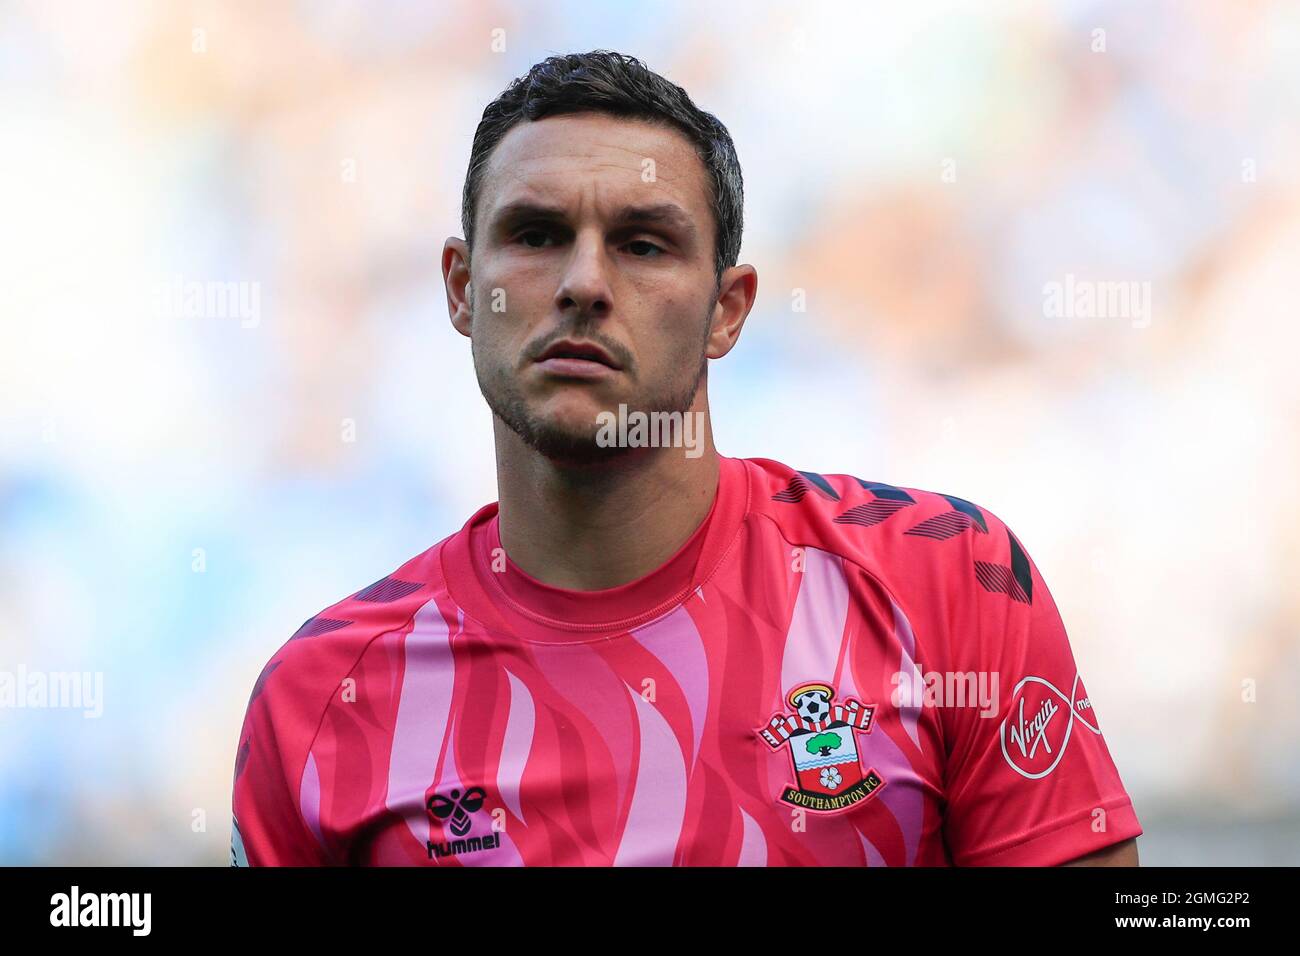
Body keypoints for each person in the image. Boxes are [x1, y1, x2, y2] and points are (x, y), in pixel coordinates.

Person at [230, 49, 1140, 866]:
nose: (585, 283)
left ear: (727, 310)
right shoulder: (323, 701)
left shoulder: (945, 579)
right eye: (537, 235)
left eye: (643, 244)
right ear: (465, 290)